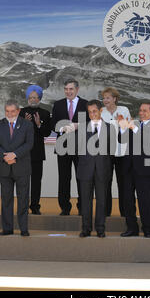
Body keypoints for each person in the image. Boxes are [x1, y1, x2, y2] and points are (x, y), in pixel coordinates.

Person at [0, 100, 34, 237]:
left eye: (12, 111)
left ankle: (23, 228)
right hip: (5, 167)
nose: (9, 114)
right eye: (7, 111)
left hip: (21, 167)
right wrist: (5, 156)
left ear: (18, 111)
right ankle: (7, 228)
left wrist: (14, 154)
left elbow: (29, 144)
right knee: (6, 199)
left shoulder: (27, 124)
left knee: (23, 199)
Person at [50, 79, 89, 216]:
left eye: (71, 89)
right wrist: (62, 128)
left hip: (81, 147)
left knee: (82, 178)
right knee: (64, 178)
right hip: (63, 146)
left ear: (77, 90)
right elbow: (53, 124)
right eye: (66, 89)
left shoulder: (86, 104)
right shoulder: (58, 104)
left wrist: (78, 125)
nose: (68, 91)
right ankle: (65, 208)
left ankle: (83, 207)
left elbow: (91, 124)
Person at [77, 100, 115, 238]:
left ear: (101, 111)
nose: (92, 114)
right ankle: (85, 229)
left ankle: (100, 229)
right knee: (85, 201)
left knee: (102, 201)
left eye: (94, 111)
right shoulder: (82, 127)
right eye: (90, 112)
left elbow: (112, 150)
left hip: (102, 169)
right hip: (85, 169)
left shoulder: (110, 128)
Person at [119, 102, 150, 238]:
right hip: (129, 169)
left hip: (145, 170)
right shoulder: (133, 125)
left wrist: (132, 127)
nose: (141, 113)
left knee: (144, 201)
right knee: (128, 200)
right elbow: (122, 141)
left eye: (145, 111)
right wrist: (123, 129)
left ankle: (147, 229)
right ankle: (131, 228)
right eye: (140, 110)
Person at [19, 85, 51, 215]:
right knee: (23, 182)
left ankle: (35, 206)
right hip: (23, 154)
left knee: (36, 181)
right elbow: (17, 133)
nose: (33, 100)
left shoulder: (45, 113)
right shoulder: (21, 113)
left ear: (39, 99)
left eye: (35, 97)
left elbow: (47, 133)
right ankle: (23, 205)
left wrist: (38, 124)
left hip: (37, 154)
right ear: (27, 98)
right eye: (31, 97)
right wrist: (24, 123)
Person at [100, 87, 131, 217]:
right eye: (104, 98)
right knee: (106, 181)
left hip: (122, 150)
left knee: (123, 181)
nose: (105, 100)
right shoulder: (101, 112)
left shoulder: (123, 110)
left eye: (108, 97)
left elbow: (128, 127)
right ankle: (106, 212)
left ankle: (125, 212)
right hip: (106, 150)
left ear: (115, 98)